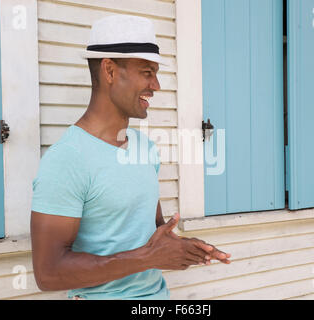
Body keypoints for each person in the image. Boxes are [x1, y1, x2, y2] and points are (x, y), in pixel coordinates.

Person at [30, 15, 231, 300]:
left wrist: (183, 249)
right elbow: (48, 273)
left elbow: (153, 236)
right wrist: (147, 258)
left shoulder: (145, 147)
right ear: (110, 71)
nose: (157, 85)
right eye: (147, 72)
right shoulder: (67, 159)